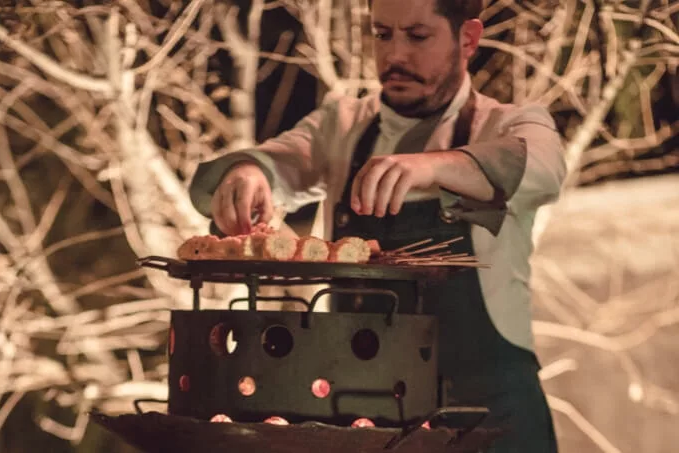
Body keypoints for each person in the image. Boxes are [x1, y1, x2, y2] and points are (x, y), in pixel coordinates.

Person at [188, 0, 565, 451]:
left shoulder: (509, 124)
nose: (395, 55)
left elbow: (544, 169)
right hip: (364, 413)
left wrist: (433, 166)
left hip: (490, 413)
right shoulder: (342, 126)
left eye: (418, 36)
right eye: (382, 34)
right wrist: (248, 172)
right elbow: (276, 162)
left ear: (468, 39)